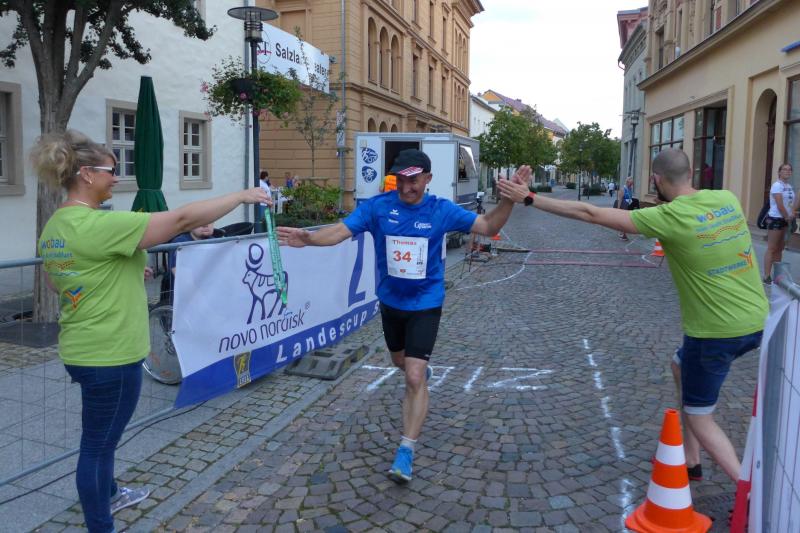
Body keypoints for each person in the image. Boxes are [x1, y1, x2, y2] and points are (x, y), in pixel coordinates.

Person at [32, 130, 270, 533]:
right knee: (98, 446)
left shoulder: (56, 225)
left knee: (101, 437)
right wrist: (241, 196)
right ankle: (101, 525)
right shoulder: (98, 224)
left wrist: (123, 271)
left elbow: (61, 283)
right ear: (86, 174)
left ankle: (109, 494)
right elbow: (181, 220)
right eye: (111, 171)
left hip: (81, 348)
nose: (117, 178)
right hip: (111, 354)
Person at [503, 148, 767, 484]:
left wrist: (529, 197)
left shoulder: (668, 217)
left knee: (700, 416)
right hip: (759, 319)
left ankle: (749, 493)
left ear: (656, 180)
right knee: (679, 365)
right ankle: (691, 459)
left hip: (716, 333)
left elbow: (590, 213)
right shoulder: (727, 199)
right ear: (691, 173)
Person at [277, 149, 530, 484]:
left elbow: (487, 225)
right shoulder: (378, 207)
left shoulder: (440, 210)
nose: (407, 187)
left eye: (414, 180)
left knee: (413, 375)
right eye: (401, 179)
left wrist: (509, 200)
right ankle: (416, 370)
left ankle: (406, 450)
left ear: (427, 179)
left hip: (426, 303)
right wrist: (309, 239)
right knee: (400, 361)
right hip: (391, 302)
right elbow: (340, 232)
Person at [762, 163, 798, 284]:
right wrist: (787, 216)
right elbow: (779, 204)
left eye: (789, 170)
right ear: (779, 172)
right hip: (776, 219)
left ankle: (777, 275)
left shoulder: (789, 186)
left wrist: (792, 214)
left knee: (780, 248)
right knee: (772, 248)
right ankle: (766, 276)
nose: (787, 171)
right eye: (784, 169)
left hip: (786, 219)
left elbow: (790, 203)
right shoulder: (777, 185)